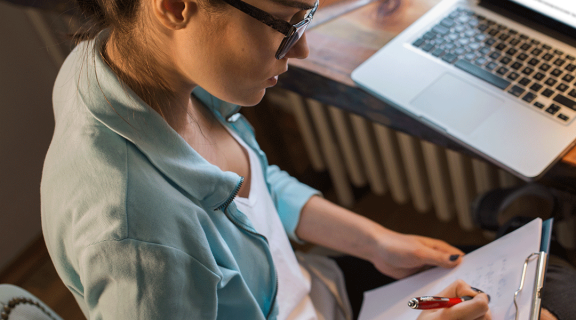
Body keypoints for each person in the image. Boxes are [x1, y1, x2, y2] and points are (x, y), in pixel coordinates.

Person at [40, 0, 492, 319]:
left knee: (500, 291)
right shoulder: (136, 238)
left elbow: (252, 188)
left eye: (306, 14)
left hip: (322, 293)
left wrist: (374, 241)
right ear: (176, 5)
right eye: (284, 21)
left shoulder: (133, 59)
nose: (301, 49)